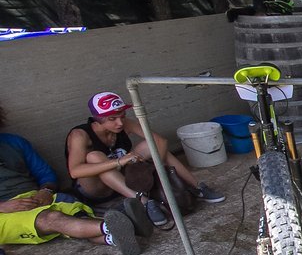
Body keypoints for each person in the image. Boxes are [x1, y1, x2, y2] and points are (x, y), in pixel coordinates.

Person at [1, 102, 142, 255]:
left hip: (37, 198)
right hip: (4, 211)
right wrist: (3, 206)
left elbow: (46, 175)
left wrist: (46, 191)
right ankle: (122, 225)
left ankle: (113, 238)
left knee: (78, 220)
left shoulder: (13, 142)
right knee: (52, 219)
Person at [65, 92, 225, 227]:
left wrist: (154, 172)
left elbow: (160, 141)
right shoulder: (80, 135)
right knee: (94, 157)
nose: (120, 123)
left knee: (153, 146)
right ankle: (145, 202)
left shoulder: (123, 124)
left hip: (120, 177)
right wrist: (119, 162)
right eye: (112, 119)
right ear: (98, 118)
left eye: (122, 116)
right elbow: (75, 171)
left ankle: (197, 188)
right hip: (95, 188)